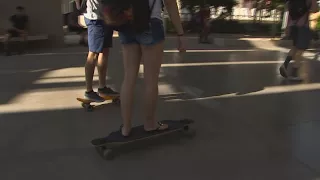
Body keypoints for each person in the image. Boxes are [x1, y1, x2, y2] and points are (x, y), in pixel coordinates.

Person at [117, 0, 185, 136]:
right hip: (150, 24)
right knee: (151, 80)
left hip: (126, 23)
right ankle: (150, 124)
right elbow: (170, 4)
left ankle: (126, 127)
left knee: (129, 78)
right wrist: (180, 34)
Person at [79, 0, 119, 101]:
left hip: (105, 17)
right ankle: (89, 91)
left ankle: (102, 87)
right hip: (95, 18)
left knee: (104, 52)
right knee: (93, 54)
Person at [279, 0, 318, 81]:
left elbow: (288, 13)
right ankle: (294, 74)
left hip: (293, 27)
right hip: (303, 27)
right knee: (300, 51)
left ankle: (285, 65)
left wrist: (287, 27)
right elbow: (315, 10)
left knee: (294, 47)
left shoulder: (291, 1)